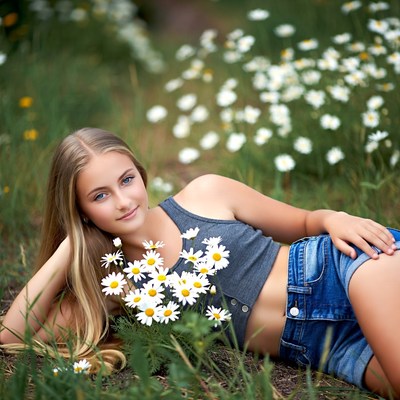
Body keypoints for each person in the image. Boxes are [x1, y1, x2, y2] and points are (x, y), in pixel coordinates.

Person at [1, 127, 399, 398]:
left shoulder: (205, 194)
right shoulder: (117, 284)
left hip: (343, 271)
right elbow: (11, 335)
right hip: (327, 349)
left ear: (140, 176)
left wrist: (335, 218)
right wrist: (69, 247)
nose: (123, 200)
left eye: (126, 180)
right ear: (80, 210)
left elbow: (304, 222)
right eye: (99, 196)